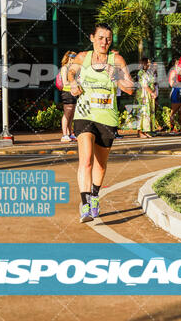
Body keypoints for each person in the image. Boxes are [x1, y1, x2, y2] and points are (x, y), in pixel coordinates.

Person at [68, 23, 134, 222]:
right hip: (84, 115)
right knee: (86, 160)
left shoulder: (117, 60)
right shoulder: (83, 57)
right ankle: (85, 205)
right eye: (100, 38)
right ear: (92, 38)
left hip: (107, 118)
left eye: (108, 38)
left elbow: (130, 88)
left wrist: (117, 77)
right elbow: (70, 72)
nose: (104, 42)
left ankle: (95, 196)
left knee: (100, 165)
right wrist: (73, 82)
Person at [136, 57, 158, 138]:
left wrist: (154, 91)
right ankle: (141, 131)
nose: (149, 64)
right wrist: (152, 92)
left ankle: (147, 130)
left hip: (150, 94)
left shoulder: (149, 72)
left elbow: (153, 83)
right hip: (144, 95)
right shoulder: (141, 73)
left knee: (149, 112)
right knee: (143, 112)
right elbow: (144, 85)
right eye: (148, 62)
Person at [59, 51, 77, 142]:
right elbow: (65, 82)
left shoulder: (72, 69)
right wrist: (75, 83)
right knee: (67, 113)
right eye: (74, 58)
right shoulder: (65, 68)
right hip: (67, 92)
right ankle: (64, 134)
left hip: (73, 92)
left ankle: (70, 133)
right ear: (69, 58)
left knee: (72, 114)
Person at [168, 60, 181, 132]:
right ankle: (172, 127)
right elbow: (171, 84)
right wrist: (180, 83)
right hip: (175, 91)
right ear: (175, 65)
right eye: (179, 65)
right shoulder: (173, 72)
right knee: (174, 111)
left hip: (180, 91)